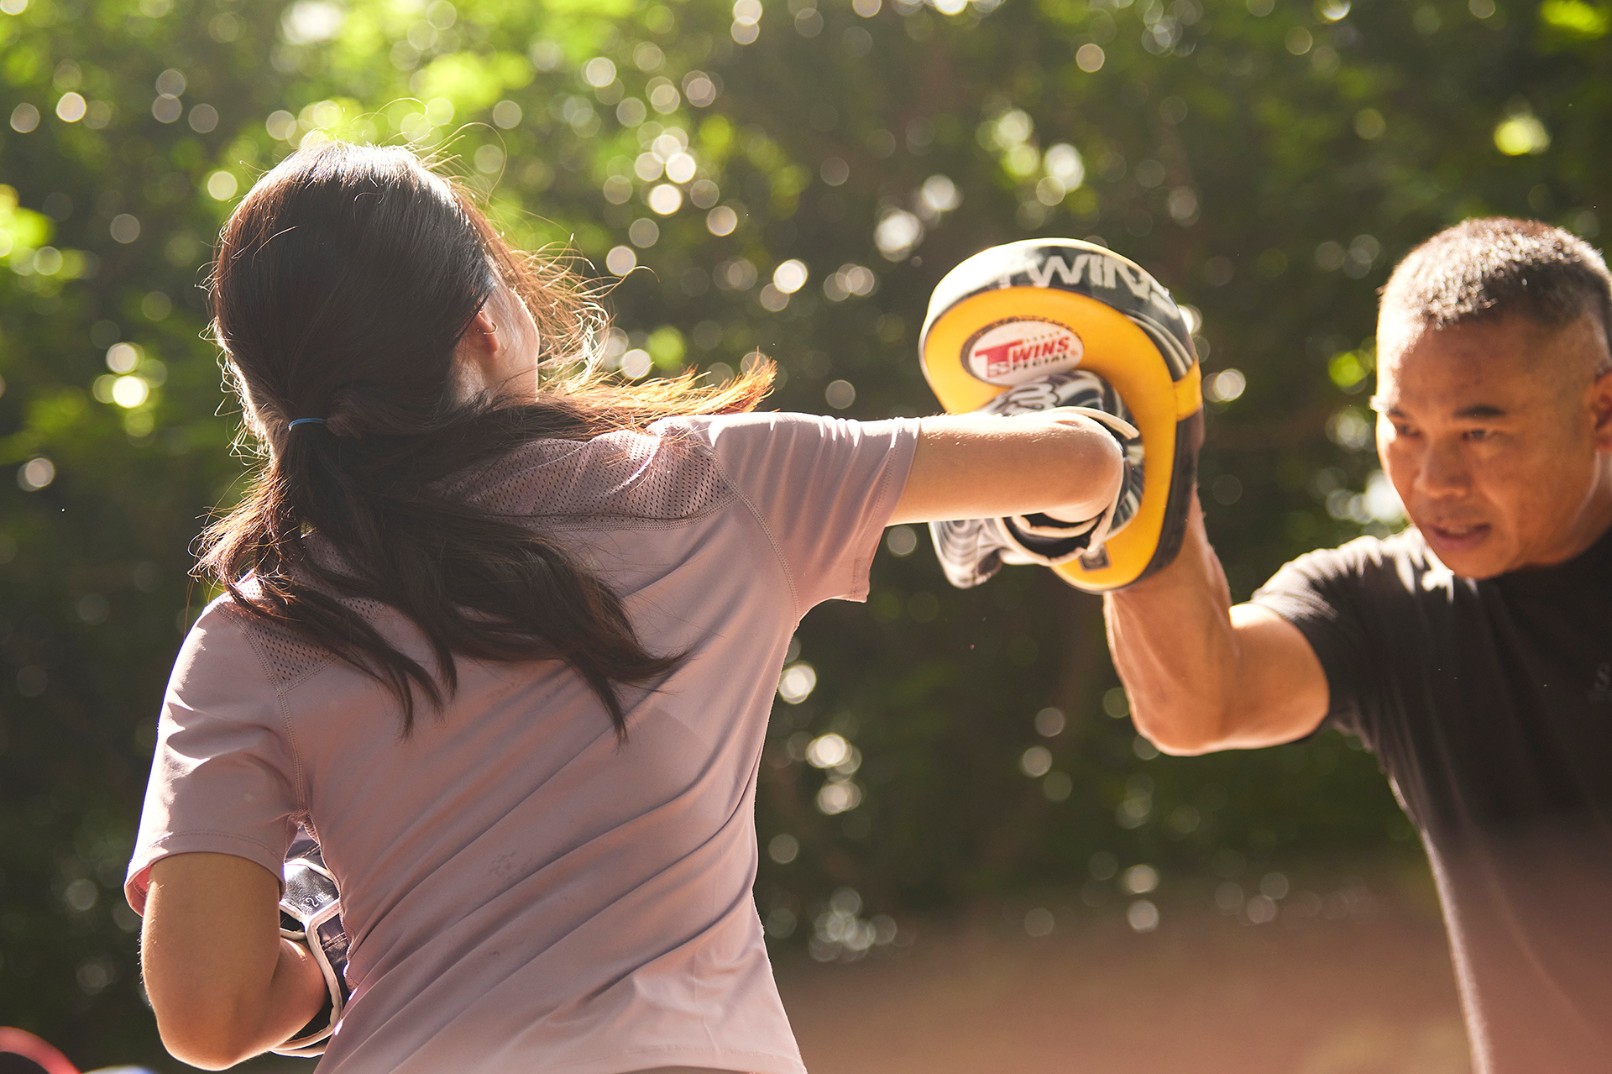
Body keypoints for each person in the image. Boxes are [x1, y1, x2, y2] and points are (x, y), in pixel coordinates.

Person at [123, 141, 1126, 1072]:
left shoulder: (252, 639)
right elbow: (1084, 460)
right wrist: (1018, 485)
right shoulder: (722, 482)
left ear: (264, 403)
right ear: (483, 327)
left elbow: (207, 1018)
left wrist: (338, 947)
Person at [1103, 217, 1612, 1073]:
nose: (1433, 481)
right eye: (1402, 427)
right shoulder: (1384, 603)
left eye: (1480, 433)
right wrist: (1132, 475)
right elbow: (1197, 703)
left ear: (1601, 410)